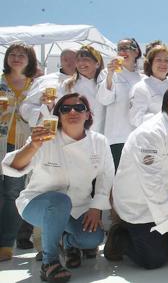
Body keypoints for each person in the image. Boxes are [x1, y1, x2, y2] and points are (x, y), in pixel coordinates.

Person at [2, 93, 114, 282]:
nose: (72, 111)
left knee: (93, 239)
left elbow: (106, 176)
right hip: (38, 204)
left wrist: (96, 208)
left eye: (79, 108)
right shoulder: (45, 138)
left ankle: (67, 241)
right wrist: (33, 146)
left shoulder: (99, 142)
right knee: (60, 201)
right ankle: (50, 262)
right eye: (65, 108)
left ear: (87, 115)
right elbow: (12, 168)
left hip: (78, 207)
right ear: (58, 115)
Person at [105, 84, 168, 269]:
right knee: (153, 261)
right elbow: (151, 186)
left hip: (165, 193)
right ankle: (119, 236)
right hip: (138, 204)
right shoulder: (149, 134)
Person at [0, 43, 37, 261]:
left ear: (29, 60)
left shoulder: (36, 85)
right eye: (12, 54)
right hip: (0, 140)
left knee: (13, 194)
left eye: (21, 55)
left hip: (21, 144)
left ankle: (6, 243)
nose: (16, 58)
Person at [21, 46, 106, 133]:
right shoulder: (47, 81)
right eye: (65, 59)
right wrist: (47, 107)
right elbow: (27, 108)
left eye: (73, 59)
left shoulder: (104, 83)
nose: (70, 62)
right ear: (60, 61)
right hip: (66, 134)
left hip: (98, 136)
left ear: (97, 63)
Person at [97, 38, 143, 170]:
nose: (122, 52)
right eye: (119, 49)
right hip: (116, 137)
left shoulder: (143, 78)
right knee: (116, 181)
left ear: (136, 52)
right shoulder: (107, 73)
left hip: (138, 138)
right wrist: (110, 75)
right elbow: (104, 100)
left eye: (126, 48)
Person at [128, 45, 168, 127]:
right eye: (158, 60)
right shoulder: (141, 87)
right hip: (151, 137)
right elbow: (136, 118)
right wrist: (166, 120)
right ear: (150, 63)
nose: (163, 64)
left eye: (166, 60)